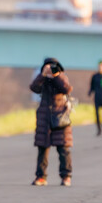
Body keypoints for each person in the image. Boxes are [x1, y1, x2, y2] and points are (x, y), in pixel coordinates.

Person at [30, 58, 73, 187]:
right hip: (44, 117)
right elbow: (34, 88)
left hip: (59, 116)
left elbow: (67, 89)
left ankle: (66, 176)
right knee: (42, 149)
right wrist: (43, 75)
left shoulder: (62, 77)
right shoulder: (43, 79)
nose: (50, 70)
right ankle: (41, 176)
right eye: (47, 67)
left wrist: (56, 75)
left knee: (63, 149)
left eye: (52, 67)